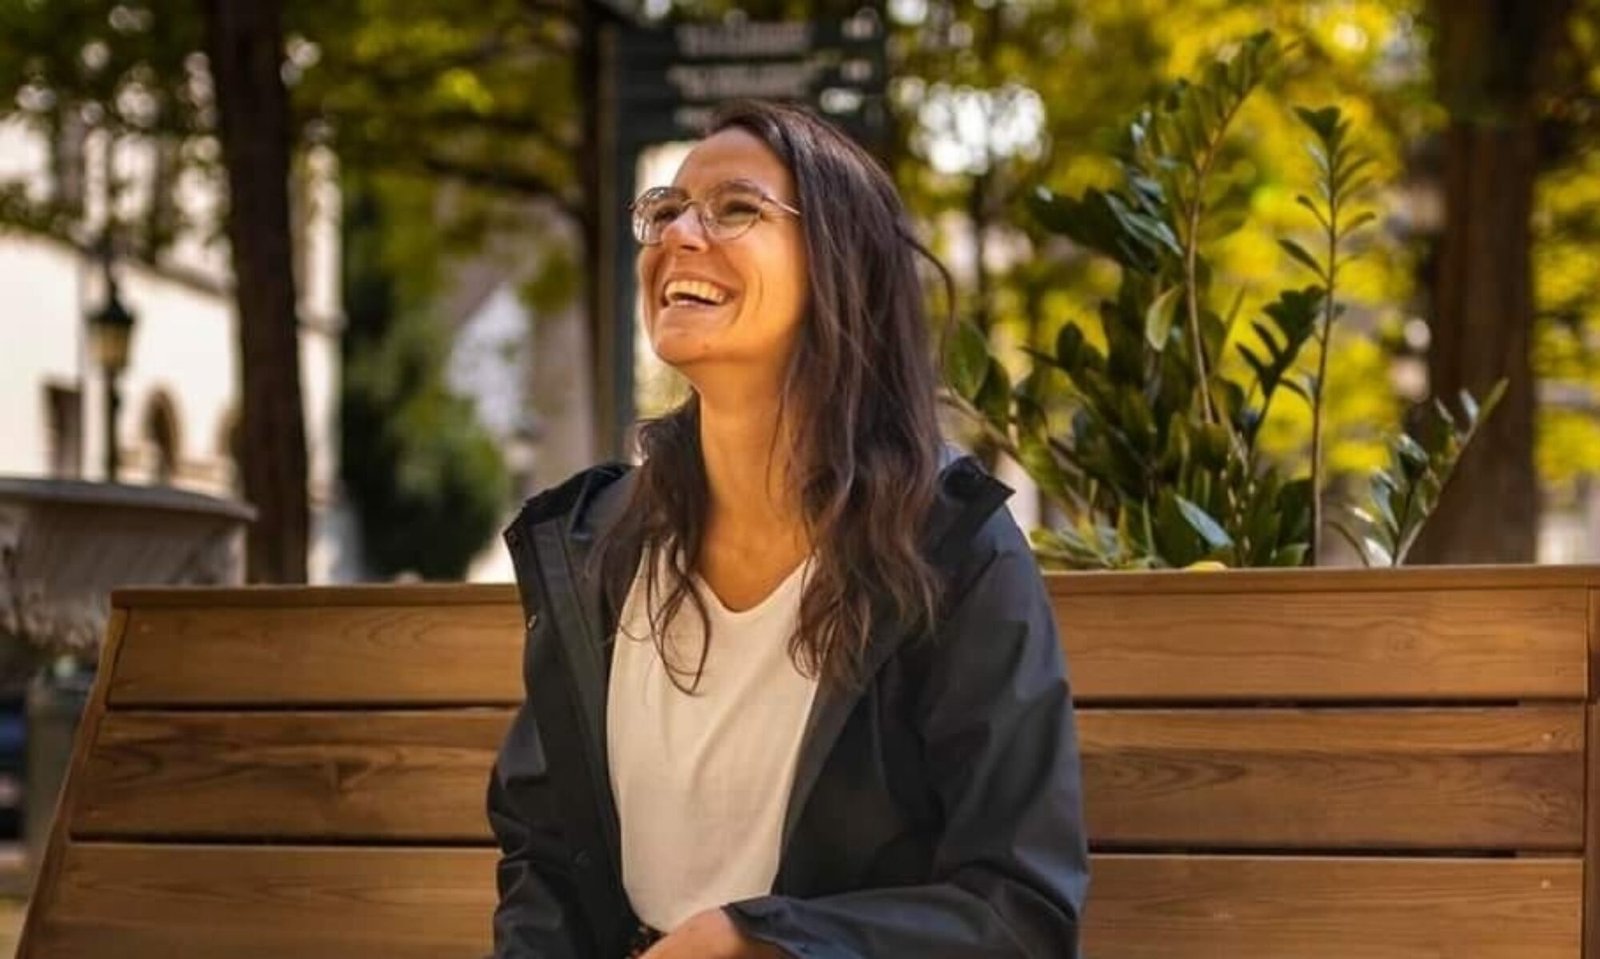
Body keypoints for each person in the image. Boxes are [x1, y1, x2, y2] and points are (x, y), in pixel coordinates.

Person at [489, 99, 1088, 959]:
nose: (678, 236)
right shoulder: (596, 547)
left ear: (841, 266)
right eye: (663, 210)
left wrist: (759, 941)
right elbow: (545, 860)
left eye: (735, 209)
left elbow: (1021, 910)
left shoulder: (952, 551)